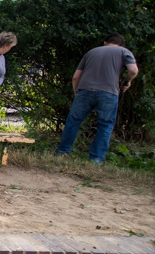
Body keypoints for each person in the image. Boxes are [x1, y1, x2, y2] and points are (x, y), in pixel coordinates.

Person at [56, 33, 138, 164]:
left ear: (105, 42)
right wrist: (126, 81)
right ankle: (96, 158)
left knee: (73, 121)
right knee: (104, 125)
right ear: (120, 44)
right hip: (108, 92)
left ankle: (63, 151)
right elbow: (133, 70)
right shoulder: (123, 51)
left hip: (85, 91)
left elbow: (76, 77)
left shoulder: (91, 52)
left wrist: (77, 92)